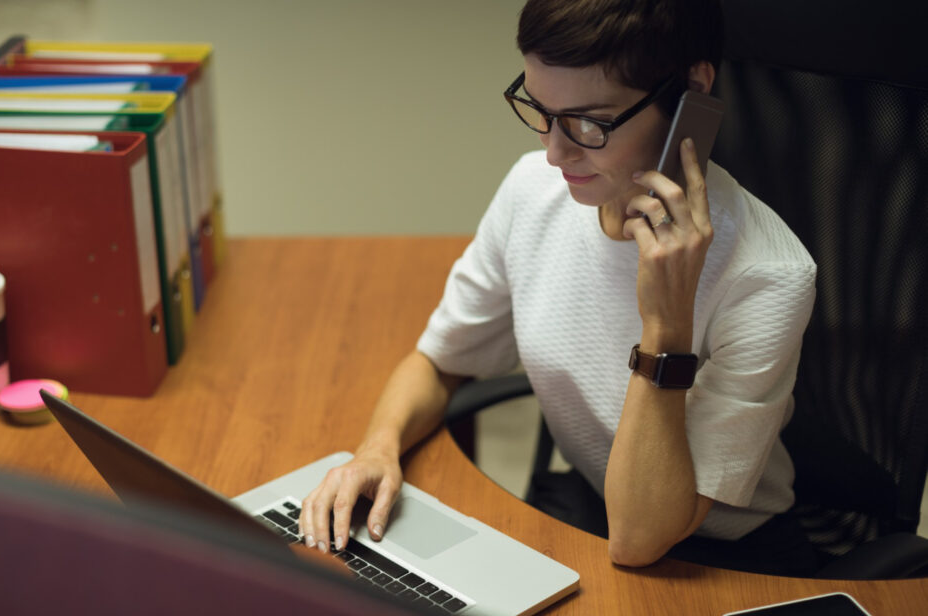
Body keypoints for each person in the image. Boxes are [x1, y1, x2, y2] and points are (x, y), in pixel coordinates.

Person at [300, 0, 819, 576]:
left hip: (723, 562)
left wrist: (667, 326)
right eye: (541, 110)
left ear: (693, 92)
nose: (554, 152)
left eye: (590, 124)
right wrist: (377, 449)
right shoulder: (532, 193)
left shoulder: (768, 273)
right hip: (589, 508)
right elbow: (439, 361)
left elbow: (641, 540)